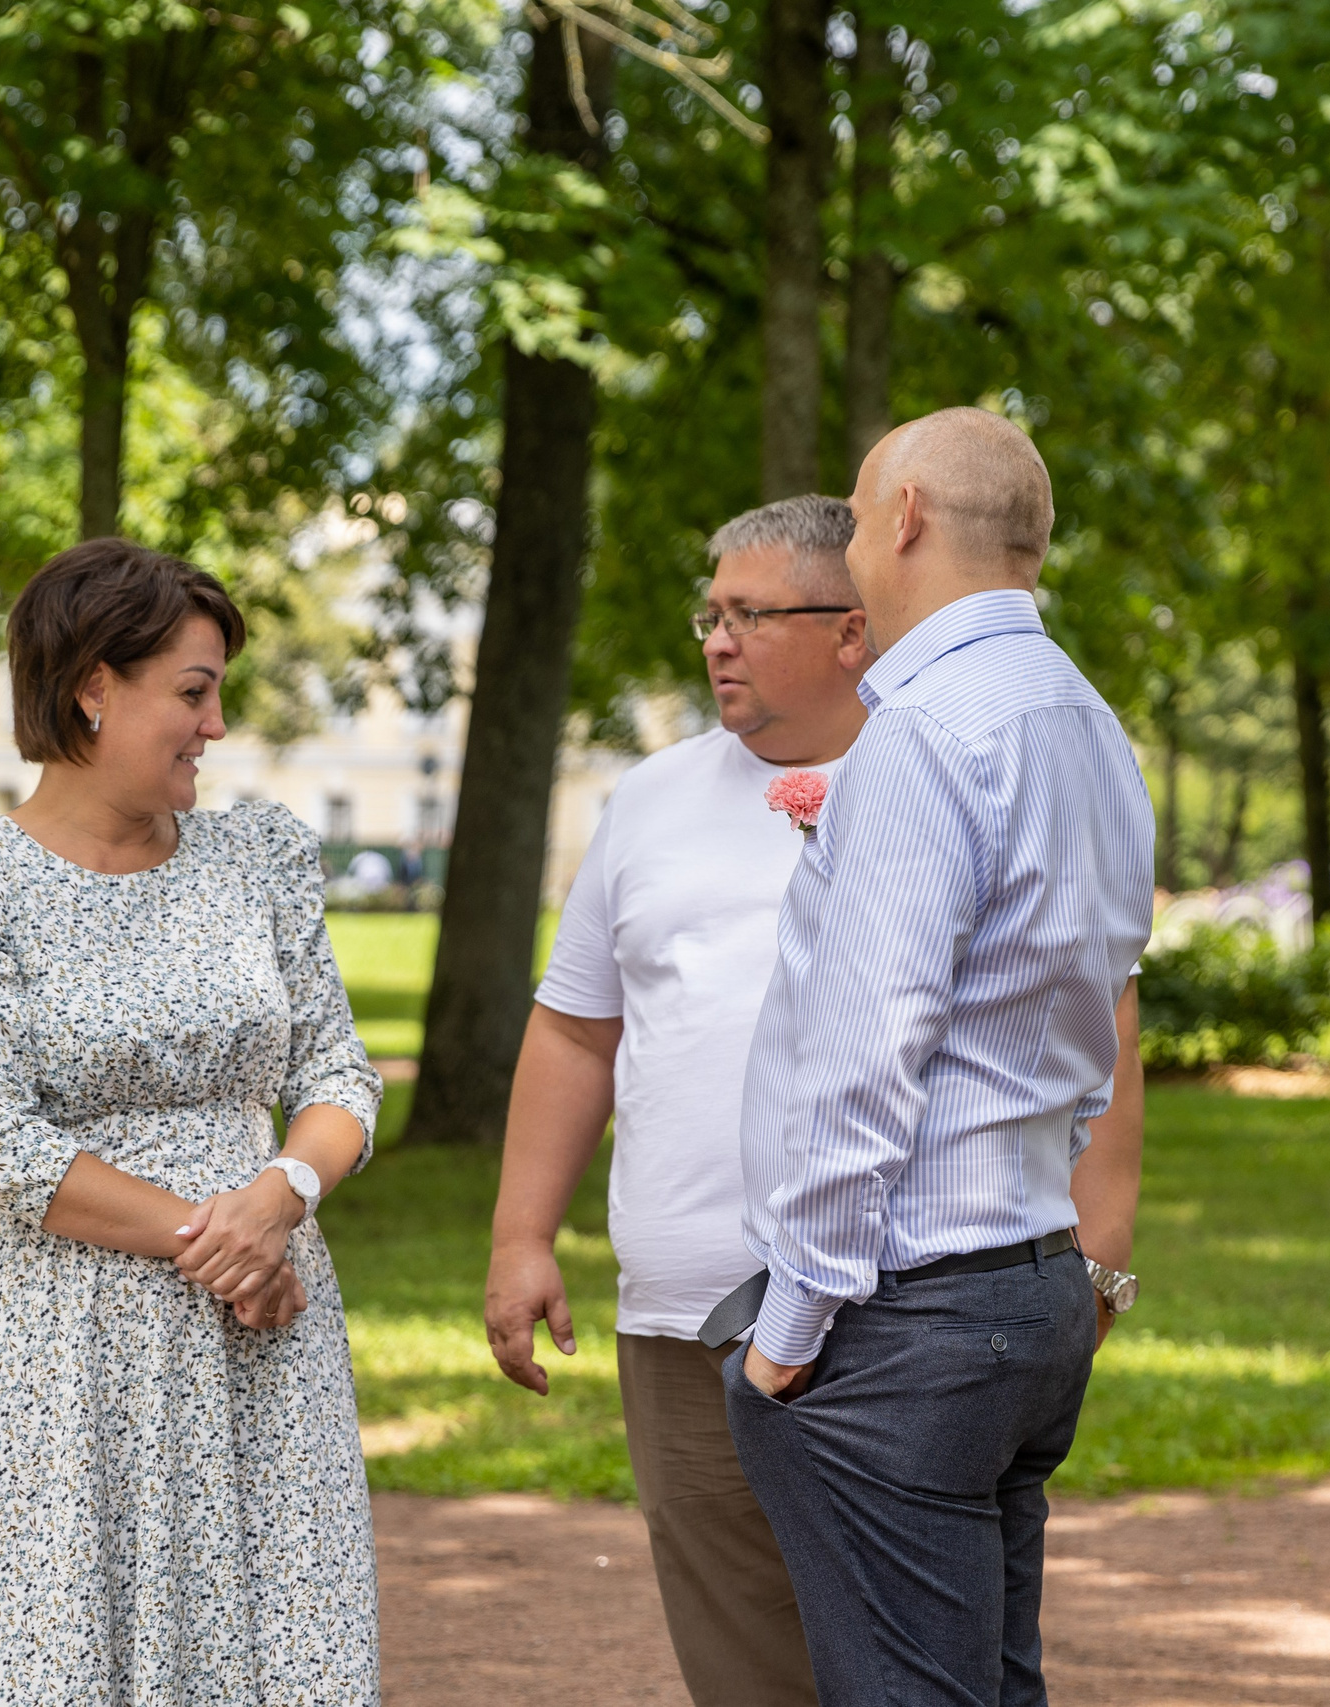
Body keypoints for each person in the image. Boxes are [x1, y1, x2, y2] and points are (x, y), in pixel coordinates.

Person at [0, 538, 385, 1705]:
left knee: (283, 1649)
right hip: (60, 1348)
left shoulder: (255, 858)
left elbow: (339, 1075)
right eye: (192, 693)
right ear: (94, 687)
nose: (214, 726)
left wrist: (280, 1199)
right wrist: (221, 1244)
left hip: (264, 1328)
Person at [723, 409, 1155, 1706]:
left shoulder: (922, 731)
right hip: (1027, 1287)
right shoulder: (1089, 724)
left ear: (905, 515)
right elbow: (1086, 1013)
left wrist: (788, 1329)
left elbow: (867, 1060)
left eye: (855, 518)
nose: (851, 546)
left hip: (902, 1316)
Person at [482, 495, 866, 1706]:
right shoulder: (647, 799)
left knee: (912, 1636)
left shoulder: (940, 782)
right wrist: (520, 1237)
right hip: (686, 1308)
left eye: (750, 613)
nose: (715, 639)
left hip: (899, 1302)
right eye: (712, 611)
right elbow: (574, 1028)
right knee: (738, 1646)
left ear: (853, 628)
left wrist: (1096, 1242)